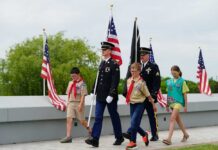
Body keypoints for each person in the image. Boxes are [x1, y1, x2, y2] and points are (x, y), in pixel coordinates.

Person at [85, 41, 124, 147]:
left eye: (105, 49)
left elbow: (115, 81)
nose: (103, 51)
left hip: (109, 96)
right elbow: (98, 79)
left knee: (114, 116)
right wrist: (93, 90)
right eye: (102, 49)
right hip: (100, 95)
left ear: (110, 51)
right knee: (98, 117)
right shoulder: (101, 63)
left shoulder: (114, 64)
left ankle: (119, 137)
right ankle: (95, 139)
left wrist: (111, 94)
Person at [123, 47, 161, 141]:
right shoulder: (138, 66)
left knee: (152, 116)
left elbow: (157, 82)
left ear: (148, 55)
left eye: (143, 55)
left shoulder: (153, 66)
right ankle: (132, 133)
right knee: (137, 117)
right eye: (141, 55)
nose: (142, 56)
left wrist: (153, 95)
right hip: (140, 97)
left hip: (149, 96)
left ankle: (154, 134)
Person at [125, 62, 156, 150]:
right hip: (132, 104)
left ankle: (133, 142)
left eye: (134, 69)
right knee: (134, 123)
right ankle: (144, 134)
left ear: (139, 71)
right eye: (131, 69)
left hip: (140, 104)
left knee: (134, 121)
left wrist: (153, 105)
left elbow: (148, 94)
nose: (132, 71)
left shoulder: (142, 82)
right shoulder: (128, 80)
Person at [60, 67, 91, 143]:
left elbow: (83, 95)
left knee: (82, 121)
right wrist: (68, 102)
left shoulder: (82, 84)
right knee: (69, 119)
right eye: (72, 76)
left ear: (78, 74)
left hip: (78, 103)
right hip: (71, 103)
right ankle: (68, 137)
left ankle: (91, 132)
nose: (73, 77)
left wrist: (81, 104)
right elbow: (69, 93)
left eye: (74, 76)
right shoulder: (70, 83)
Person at [162, 65, 189, 145]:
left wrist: (185, 106)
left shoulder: (182, 81)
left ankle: (169, 139)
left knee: (172, 118)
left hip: (178, 102)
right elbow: (168, 93)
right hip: (171, 103)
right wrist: (167, 104)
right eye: (172, 72)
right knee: (178, 120)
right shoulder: (169, 81)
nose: (173, 74)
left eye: (174, 72)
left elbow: (184, 94)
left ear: (178, 72)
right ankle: (186, 134)